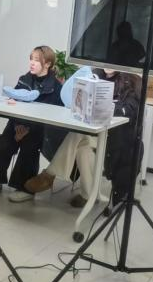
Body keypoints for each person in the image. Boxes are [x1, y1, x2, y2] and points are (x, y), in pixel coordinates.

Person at [25, 68, 141, 207]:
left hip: (116, 138)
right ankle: (88, 195)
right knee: (83, 150)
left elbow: (129, 110)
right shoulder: (94, 75)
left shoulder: (132, 81)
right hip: (93, 134)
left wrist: (101, 107)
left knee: (77, 134)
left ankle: (49, 175)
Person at [0, 45, 63, 203]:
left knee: (30, 146)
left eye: (36, 60)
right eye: (31, 59)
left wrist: (27, 130)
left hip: (38, 128)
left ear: (47, 64)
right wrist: (17, 127)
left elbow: (53, 115)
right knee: (5, 142)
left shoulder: (56, 87)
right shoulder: (24, 79)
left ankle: (24, 188)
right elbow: (14, 101)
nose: (32, 63)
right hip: (18, 123)